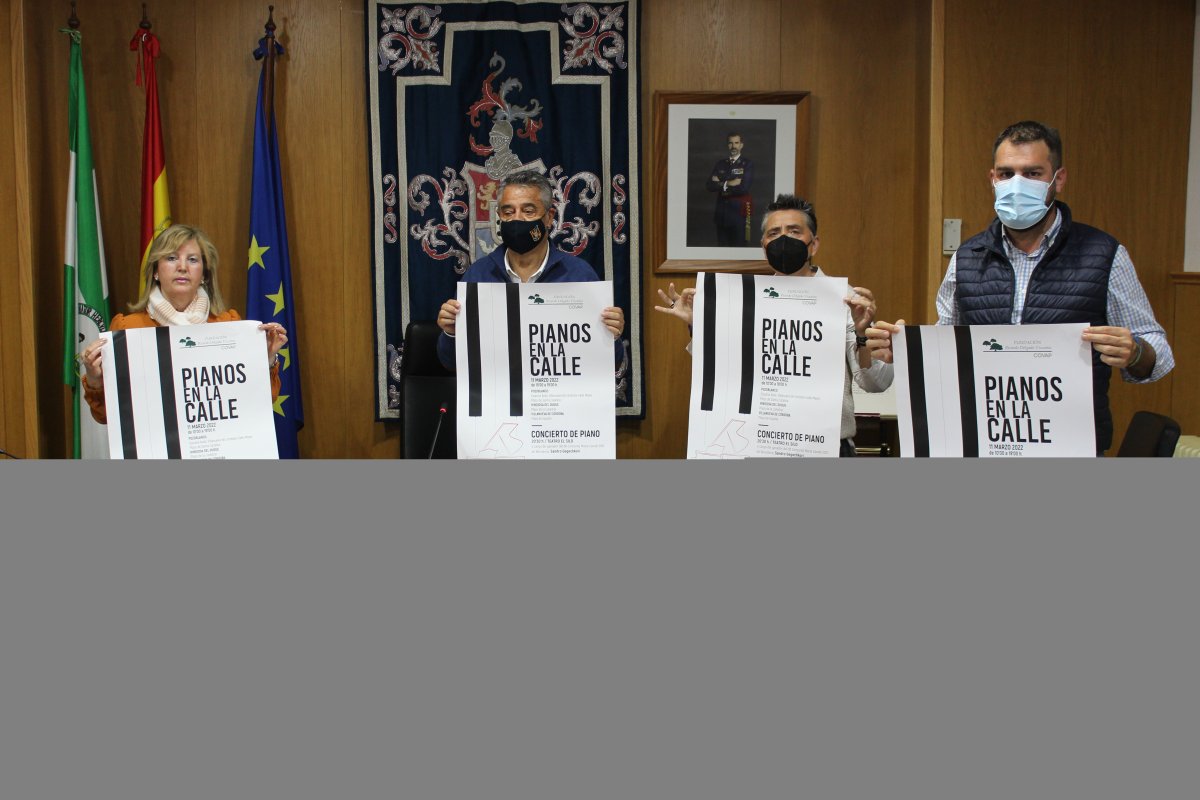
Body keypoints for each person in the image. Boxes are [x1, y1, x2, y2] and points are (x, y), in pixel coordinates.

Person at [865, 121, 1175, 454]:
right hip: (985, 442)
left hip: (1069, 449)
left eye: (1032, 173)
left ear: (1059, 179)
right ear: (992, 179)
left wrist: (1136, 352)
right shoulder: (967, 257)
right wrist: (911, 352)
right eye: (1006, 173)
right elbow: (949, 348)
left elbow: (1160, 352)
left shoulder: (1104, 254)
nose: (1017, 184)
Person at [655, 193, 894, 456]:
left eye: (794, 231)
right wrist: (700, 324)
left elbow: (875, 384)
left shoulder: (845, 300)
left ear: (813, 244)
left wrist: (862, 335)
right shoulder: (745, 300)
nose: (783, 239)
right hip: (760, 447)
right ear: (764, 245)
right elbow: (726, 373)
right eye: (774, 233)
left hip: (826, 450)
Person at [79, 223, 287, 424]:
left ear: (204, 274)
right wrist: (95, 379)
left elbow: (260, 402)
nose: (182, 267)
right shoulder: (128, 330)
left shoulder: (228, 325)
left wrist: (266, 358)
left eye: (193, 260)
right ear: (155, 271)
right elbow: (106, 417)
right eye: (171, 258)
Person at [436, 169, 625, 370]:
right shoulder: (477, 276)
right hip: (501, 398)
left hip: (557, 398)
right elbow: (451, 363)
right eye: (508, 212)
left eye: (528, 211)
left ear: (549, 216)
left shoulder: (580, 275)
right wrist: (451, 333)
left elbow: (609, 364)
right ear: (499, 216)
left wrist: (611, 336)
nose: (517, 220)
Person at [706, 132, 755, 246]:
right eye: (730, 143)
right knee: (722, 251)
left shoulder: (747, 164)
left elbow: (743, 188)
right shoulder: (721, 164)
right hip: (721, 215)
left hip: (739, 216)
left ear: (741, 145)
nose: (733, 146)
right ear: (727, 145)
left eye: (736, 143)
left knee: (739, 251)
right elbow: (709, 185)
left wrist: (720, 183)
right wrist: (729, 183)